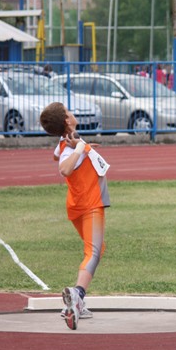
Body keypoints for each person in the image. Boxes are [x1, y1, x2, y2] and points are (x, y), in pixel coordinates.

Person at [39, 102, 111, 331]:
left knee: (96, 249)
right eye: (69, 112)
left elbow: (55, 154)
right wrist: (79, 149)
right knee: (94, 252)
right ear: (67, 121)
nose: (73, 113)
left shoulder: (66, 142)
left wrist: (77, 142)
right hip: (90, 205)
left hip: (78, 206)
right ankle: (77, 295)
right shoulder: (71, 149)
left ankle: (77, 302)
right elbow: (64, 169)